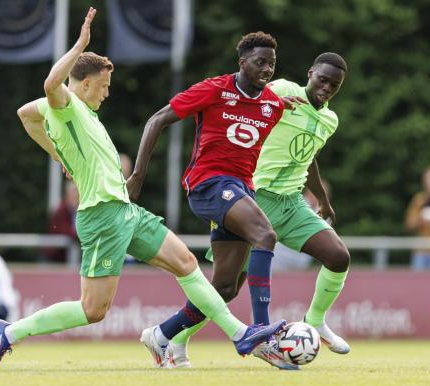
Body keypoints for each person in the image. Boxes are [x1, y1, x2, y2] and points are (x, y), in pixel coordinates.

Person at [0, 7, 286, 371]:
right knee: (92, 310)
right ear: (82, 83)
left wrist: (54, 152)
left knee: (187, 264)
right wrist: (80, 45)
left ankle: (240, 335)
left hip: (125, 210)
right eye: (104, 85)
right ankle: (9, 332)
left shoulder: (75, 114)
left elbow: (24, 114)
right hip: (102, 216)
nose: (108, 93)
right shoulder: (65, 105)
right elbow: (50, 88)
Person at [164, 53, 353, 368]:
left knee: (338, 257)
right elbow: (246, 93)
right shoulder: (280, 89)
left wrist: (321, 197)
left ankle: (316, 321)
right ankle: (176, 338)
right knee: (226, 288)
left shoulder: (329, 120)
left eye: (335, 85)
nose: (327, 87)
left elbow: (309, 154)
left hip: (291, 202)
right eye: (323, 79)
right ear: (310, 73)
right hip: (253, 197)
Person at [127, 32, 302, 369]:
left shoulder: (273, 105)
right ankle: (261, 332)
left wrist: (290, 105)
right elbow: (157, 120)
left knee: (224, 287)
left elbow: (284, 124)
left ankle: (162, 335)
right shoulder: (214, 89)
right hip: (208, 185)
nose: (267, 69)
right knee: (266, 236)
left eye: (272, 64)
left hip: (240, 191)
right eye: (260, 62)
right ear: (242, 62)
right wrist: (137, 176)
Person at [42, 180, 80, 263]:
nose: (76, 194)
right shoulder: (61, 211)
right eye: (73, 192)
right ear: (67, 194)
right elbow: (67, 232)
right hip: (53, 258)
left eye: (77, 191)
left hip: (67, 256)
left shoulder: (79, 211)